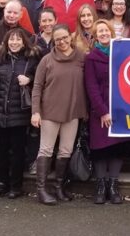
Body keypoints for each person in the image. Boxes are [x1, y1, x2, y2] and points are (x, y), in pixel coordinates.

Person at [31, 24, 88, 205]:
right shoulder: (46, 60)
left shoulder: (81, 57)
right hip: (49, 111)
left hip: (72, 111)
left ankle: (58, 187)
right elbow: (37, 87)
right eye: (57, 40)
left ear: (70, 37)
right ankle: (41, 190)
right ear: (53, 42)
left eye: (64, 38)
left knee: (65, 150)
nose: (62, 42)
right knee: (46, 149)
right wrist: (35, 112)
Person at [85, 20, 130, 203]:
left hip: (120, 106)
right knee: (100, 147)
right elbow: (91, 86)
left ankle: (113, 185)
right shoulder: (91, 57)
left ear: (111, 32)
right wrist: (102, 111)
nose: (103, 34)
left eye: (106, 30)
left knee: (117, 147)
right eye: (100, 32)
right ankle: (101, 185)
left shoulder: (120, 53)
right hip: (101, 109)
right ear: (96, 36)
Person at [0, 27, 40, 199]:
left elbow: (41, 81)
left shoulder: (30, 60)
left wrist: (30, 80)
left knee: (18, 152)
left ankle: (15, 186)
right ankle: (1, 184)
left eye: (18, 39)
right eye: (11, 40)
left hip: (20, 112)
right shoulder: (0, 59)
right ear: (6, 42)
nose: (14, 42)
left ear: (24, 41)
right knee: (1, 152)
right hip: (1, 111)